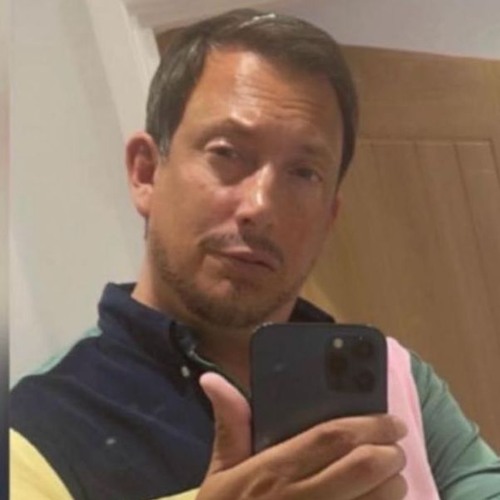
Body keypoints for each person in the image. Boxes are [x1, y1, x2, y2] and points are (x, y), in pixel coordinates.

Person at [10, 8, 500, 500]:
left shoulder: (394, 378)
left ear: (329, 216)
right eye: (226, 152)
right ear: (146, 173)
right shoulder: (32, 437)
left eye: (304, 173)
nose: (261, 206)